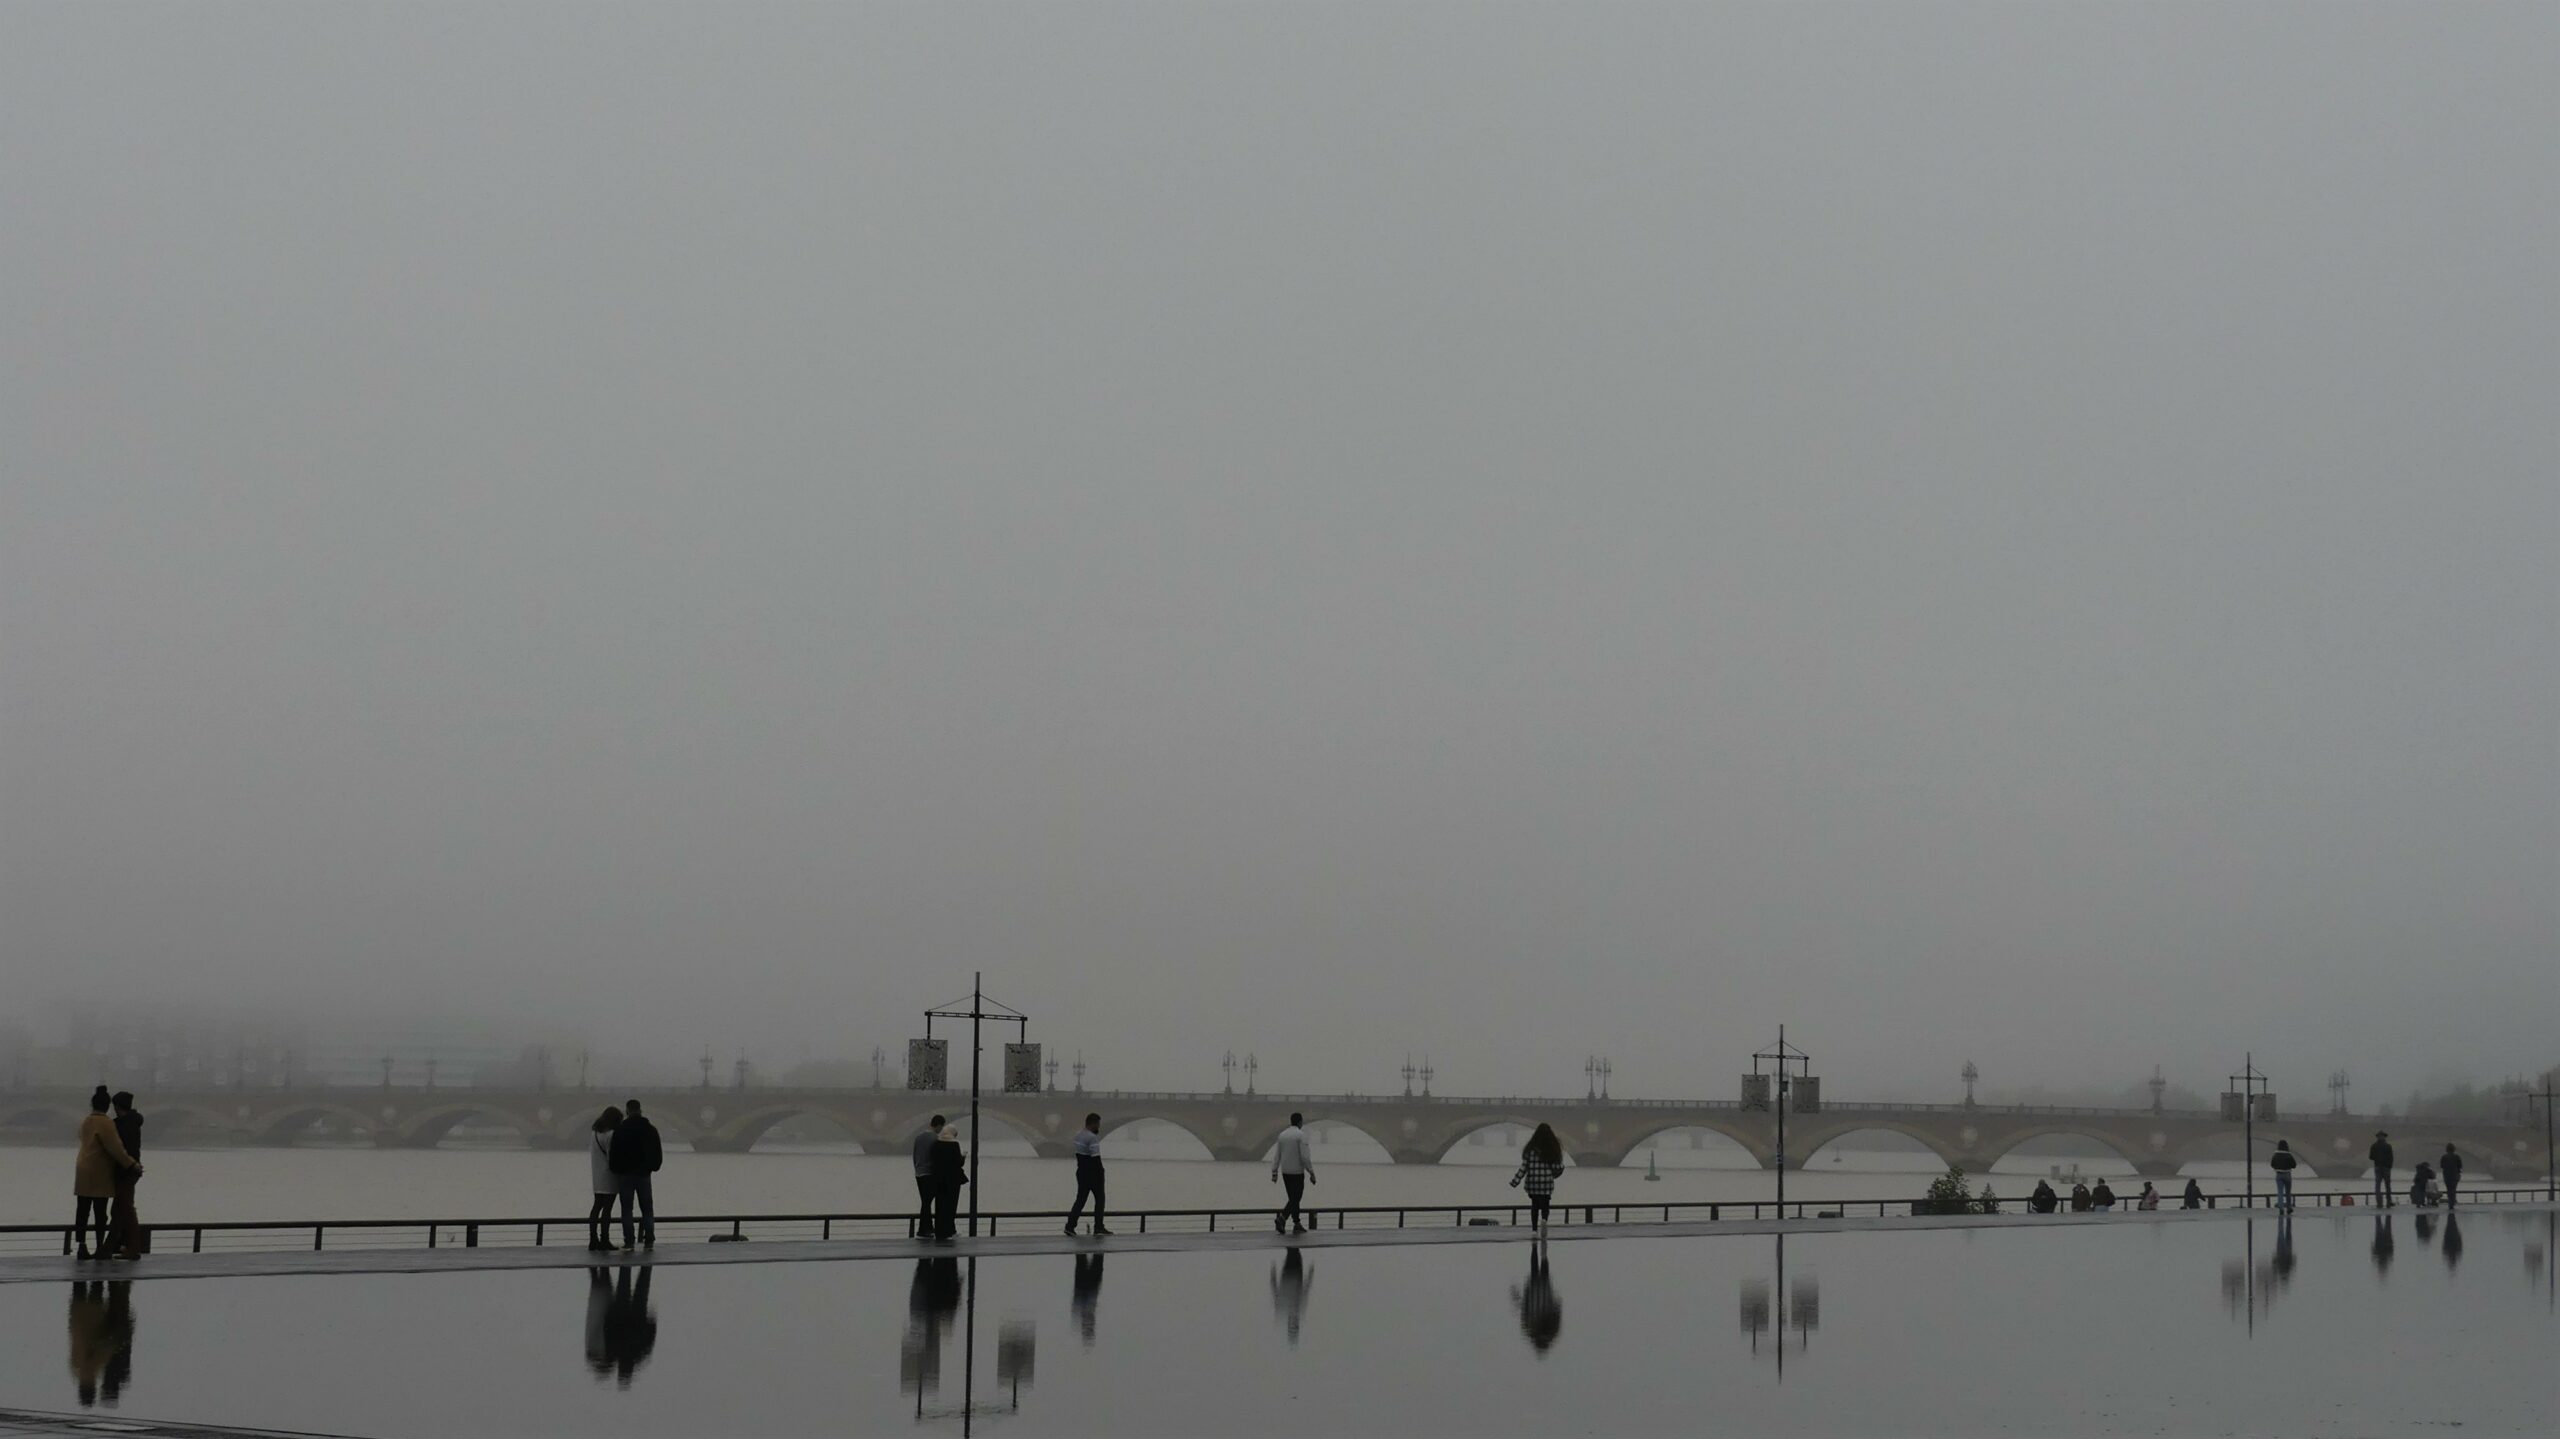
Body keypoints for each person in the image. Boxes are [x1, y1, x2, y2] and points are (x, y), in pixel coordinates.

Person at [72, 1088, 139, 1262]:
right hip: (99, 1171)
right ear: (108, 1106)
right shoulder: (106, 1123)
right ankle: (100, 1246)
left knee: (82, 1210)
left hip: (82, 1168)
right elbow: (115, 1148)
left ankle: (81, 1246)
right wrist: (131, 1164)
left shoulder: (86, 1121)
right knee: (100, 1211)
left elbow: (82, 1137)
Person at [607, 1098, 663, 1250]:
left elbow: (614, 1153)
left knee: (627, 1208)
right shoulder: (650, 1130)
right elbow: (657, 1152)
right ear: (640, 1110)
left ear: (627, 1111)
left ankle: (629, 1240)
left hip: (625, 1175)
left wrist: (616, 1169)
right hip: (644, 1174)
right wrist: (653, 1167)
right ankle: (649, 1236)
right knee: (647, 1207)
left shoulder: (620, 1130)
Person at [106, 1093, 146, 1260]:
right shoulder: (133, 1122)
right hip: (131, 1169)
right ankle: (116, 1244)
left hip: (126, 1171)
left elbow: (121, 1151)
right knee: (119, 1209)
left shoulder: (123, 1125)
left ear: (117, 1106)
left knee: (126, 1209)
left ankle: (133, 1248)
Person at [1509, 1122, 1565, 1235]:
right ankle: (1544, 1219)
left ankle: (1534, 1230)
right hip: (1546, 1183)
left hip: (1533, 1183)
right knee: (1545, 1204)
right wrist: (1555, 1173)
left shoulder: (1530, 1150)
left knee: (1534, 1205)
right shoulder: (1551, 1149)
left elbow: (1523, 1167)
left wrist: (1515, 1181)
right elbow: (1557, 1167)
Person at [1065, 1113, 1111, 1236]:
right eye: (1098, 1125)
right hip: (1093, 1173)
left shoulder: (1078, 1136)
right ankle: (1099, 1227)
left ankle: (1070, 1226)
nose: (1099, 1127)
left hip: (1081, 1171)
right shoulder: (1092, 1138)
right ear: (1093, 1124)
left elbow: (1080, 1155)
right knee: (1100, 1199)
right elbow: (1096, 1158)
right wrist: (1101, 1171)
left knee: (1080, 1200)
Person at [1270, 1112, 1316, 1234]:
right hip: (1297, 1172)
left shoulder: (1282, 1135)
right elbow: (1305, 1156)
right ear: (1300, 1122)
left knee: (1292, 1198)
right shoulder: (1301, 1136)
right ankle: (1282, 1218)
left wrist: (1274, 1172)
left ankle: (1297, 1223)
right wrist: (1311, 1172)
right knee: (1296, 1198)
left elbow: (1277, 1155)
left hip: (1285, 1172)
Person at [1512, 1245, 1562, 1355]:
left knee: (1540, 1271)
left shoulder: (1536, 1329)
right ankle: (1539, 1250)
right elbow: (1524, 1312)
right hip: (1538, 1294)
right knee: (1535, 1269)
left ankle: (1541, 1252)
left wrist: (1557, 1304)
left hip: (1539, 1293)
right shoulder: (1533, 1329)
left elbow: (1524, 1311)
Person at [586, 1106, 623, 1252]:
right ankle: (605, 1239)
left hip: (597, 1175)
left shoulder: (594, 1133)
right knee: (607, 1209)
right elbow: (612, 1156)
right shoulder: (611, 1134)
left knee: (596, 1207)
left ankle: (593, 1239)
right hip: (609, 1176)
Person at [929, 1124, 968, 1241]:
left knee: (940, 1205)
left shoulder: (936, 1144)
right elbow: (958, 1162)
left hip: (938, 1180)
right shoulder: (954, 1145)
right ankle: (949, 1230)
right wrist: (963, 1157)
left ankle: (939, 1230)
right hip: (952, 1181)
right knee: (951, 1206)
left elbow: (933, 1159)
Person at [911, 1115, 946, 1239]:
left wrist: (917, 1168)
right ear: (939, 1125)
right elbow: (936, 1157)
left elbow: (914, 1154)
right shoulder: (936, 1138)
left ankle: (927, 1227)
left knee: (925, 1202)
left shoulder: (918, 1137)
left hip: (919, 1173)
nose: (941, 1130)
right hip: (930, 1174)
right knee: (927, 1202)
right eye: (941, 1127)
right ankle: (923, 1229)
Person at [1270, 1248, 1312, 1347]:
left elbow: (1276, 1293)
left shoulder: (1284, 1311)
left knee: (1293, 1254)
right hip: (1293, 1277)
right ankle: (1293, 1239)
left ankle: (1293, 1240)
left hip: (1288, 1277)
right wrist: (1310, 1276)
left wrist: (1273, 1275)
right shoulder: (1293, 1310)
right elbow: (1304, 1293)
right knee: (1294, 1254)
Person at [1071, 1252, 1104, 1346]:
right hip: (1088, 1288)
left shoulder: (1077, 1316)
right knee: (1092, 1261)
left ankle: (1086, 1244)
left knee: (1087, 1261)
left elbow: (1077, 1302)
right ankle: (1096, 1241)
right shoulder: (1078, 1316)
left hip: (1086, 1288)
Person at [2269, 1140, 2298, 1212]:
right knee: (2288, 1192)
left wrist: (2277, 1168)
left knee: (2280, 1191)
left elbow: (2272, 1164)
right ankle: (2289, 1207)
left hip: (2278, 1174)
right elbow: (2294, 1165)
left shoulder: (2276, 1154)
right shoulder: (2288, 1154)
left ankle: (2281, 1207)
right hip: (2287, 1174)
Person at [2368, 1131, 2394, 1208]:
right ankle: (2388, 1202)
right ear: (2384, 1137)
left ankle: (2379, 1202)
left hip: (2377, 1167)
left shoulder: (2374, 1146)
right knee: (2388, 1185)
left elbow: (2371, 1157)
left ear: (2377, 1137)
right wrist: (2389, 1166)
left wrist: (2377, 1158)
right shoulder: (2388, 1146)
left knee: (2377, 1186)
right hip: (2386, 1167)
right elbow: (2391, 1157)